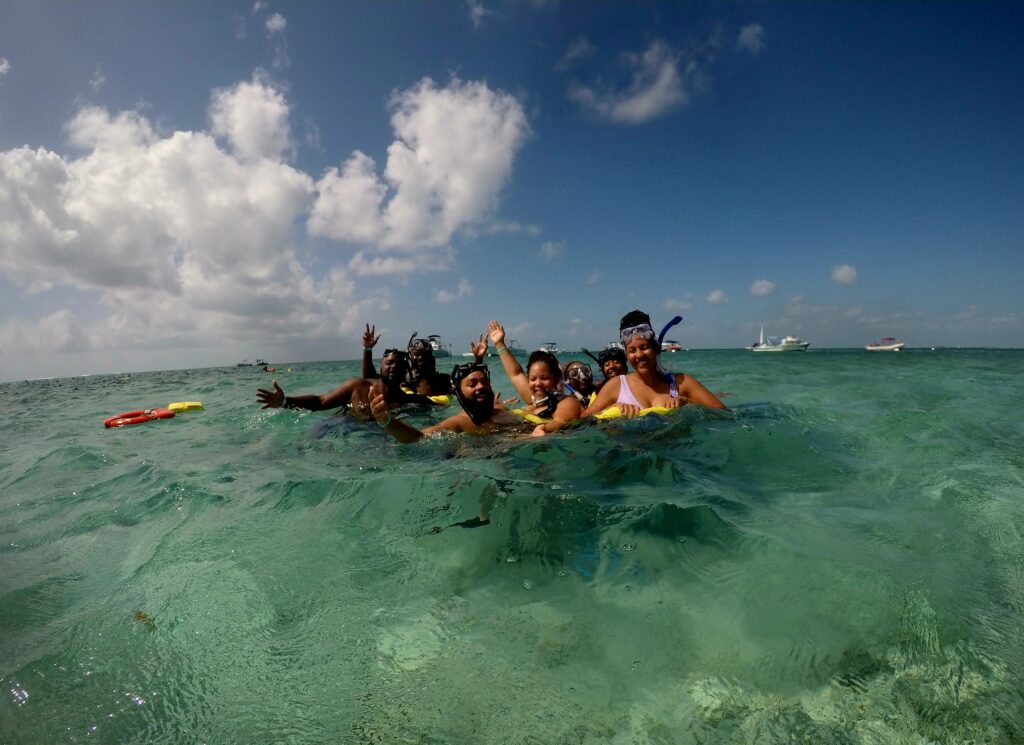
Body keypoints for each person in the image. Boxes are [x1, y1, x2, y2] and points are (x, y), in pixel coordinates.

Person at [585, 310, 726, 417]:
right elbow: (583, 419)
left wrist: (688, 402)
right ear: (627, 355)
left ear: (655, 348)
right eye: (632, 350)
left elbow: (723, 412)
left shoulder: (681, 383)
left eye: (644, 347)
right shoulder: (616, 385)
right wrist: (611, 408)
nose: (639, 355)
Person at [370, 361, 532, 442]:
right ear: (459, 392)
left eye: (484, 382)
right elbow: (417, 438)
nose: (481, 386)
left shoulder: (500, 409)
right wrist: (387, 421)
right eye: (472, 384)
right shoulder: (457, 424)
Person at [257, 347, 429, 420]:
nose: (393, 367)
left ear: (405, 371)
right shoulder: (357, 386)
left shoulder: (406, 400)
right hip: (339, 426)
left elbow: (427, 403)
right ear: (381, 366)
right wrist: (285, 401)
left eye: (398, 365)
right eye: (389, 363)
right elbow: (321, 401)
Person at [487, 320, 583, 435]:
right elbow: (516, 374)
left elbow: (559, 422)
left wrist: (540, 431)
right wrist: (499, 344)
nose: (537, 383)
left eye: (544, 378)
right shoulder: (532, 399)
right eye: (533, 379)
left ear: (556, 379)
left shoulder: (567, 403)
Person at [361, 324, 453, 397]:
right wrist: (368, 349)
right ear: (410, 356)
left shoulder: (442, 380)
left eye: (425, 355)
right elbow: (370, 377)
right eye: (417, 354)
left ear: (431, 357)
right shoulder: (402, 377)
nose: (421, 358)